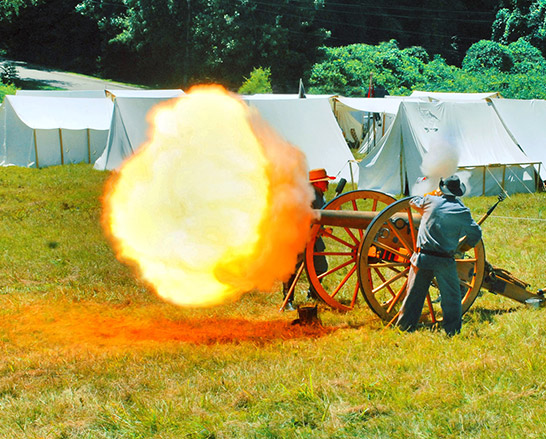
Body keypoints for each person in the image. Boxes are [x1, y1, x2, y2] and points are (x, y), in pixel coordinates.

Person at [396, 175, 482, 336]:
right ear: (457, 192)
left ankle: (405, 328)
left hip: (423, 257)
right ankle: (452, 331)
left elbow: (412, 201)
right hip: (445, 259)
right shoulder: (462, 210)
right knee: (452, 298)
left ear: (442, 189)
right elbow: (476, 233)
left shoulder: (430, 201)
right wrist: (463, 248)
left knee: (413, 295)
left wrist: (432, 194)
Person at [283, 168, 335, 310]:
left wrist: (322, 229)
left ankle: (313, 294)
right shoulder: (307, 196)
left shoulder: (319, 195)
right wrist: (321, 229)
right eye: (325, 182)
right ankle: (287, 300)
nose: (327, 184)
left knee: (321, 267)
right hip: (300, 237)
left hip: (314, 239)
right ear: (318, 183)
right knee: (292, 269)